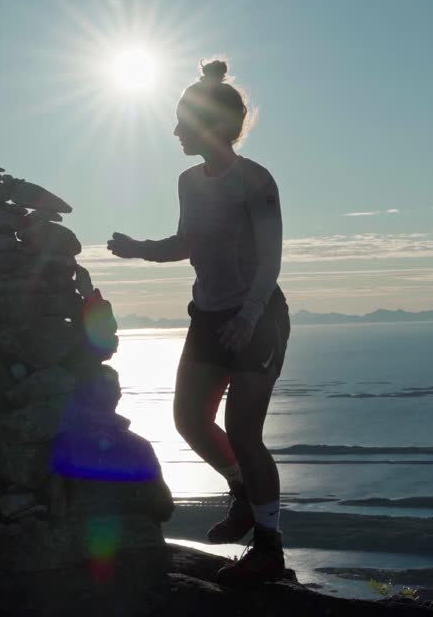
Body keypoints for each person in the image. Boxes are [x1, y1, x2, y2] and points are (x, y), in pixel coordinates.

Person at [108, 58, 289, 584]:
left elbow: (270, 258)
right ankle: (240, 495)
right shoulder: (189, 182)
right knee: (189, 418)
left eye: (181, 122)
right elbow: (188, 243)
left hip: (258, 317)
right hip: (209, 314)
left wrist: (250, 316)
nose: (174, 132)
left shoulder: (255, 181)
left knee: (244, 432)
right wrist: (141, 249)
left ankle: (269, 544)